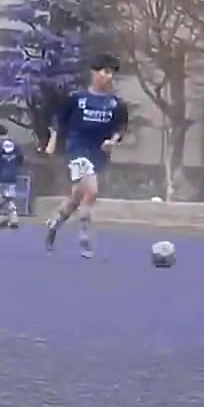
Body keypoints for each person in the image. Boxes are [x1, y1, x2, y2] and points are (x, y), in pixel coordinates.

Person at [44, 53, 128, 258]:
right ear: (94, 73)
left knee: (76, 198)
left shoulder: (116, 103)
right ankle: (84, 236)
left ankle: (55, 224)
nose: (108, 77)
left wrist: (113, 141)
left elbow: (121, 128)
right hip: (77, 149)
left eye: (112, 73)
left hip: (98, 152)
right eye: (105, 72)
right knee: (92, 190)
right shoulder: (77, 98)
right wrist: (52, 141)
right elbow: (59, 121)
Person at [0, 121, 24, 228]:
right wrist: (14, 167)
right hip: (11, 174)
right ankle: (14, 218)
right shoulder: (15, 143)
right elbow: (21, 157)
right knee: (9, 197)